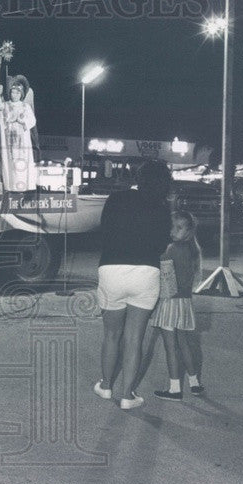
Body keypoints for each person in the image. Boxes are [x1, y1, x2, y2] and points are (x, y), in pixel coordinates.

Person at [94, 160, 172, 410]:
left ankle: (106, 386)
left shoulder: (116, 199)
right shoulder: (162, 208)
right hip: (146, 273)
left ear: (139, 178)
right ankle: (128, 395)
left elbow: (103, 232)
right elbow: (161, 246)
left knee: (111, 335)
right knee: (134, 338)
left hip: (112, 269)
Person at [150, 211, 205, 400]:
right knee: (185, 344)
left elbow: (160, 271)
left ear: (189, 230)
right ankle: (194, 383)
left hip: (170, 302)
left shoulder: (172, 249)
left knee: (170, 347)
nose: (173, 231)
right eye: (172, 227)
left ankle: (175, 389)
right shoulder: (193, 250)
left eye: (179, 228)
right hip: (185, 303)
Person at [0, 76, 38, 192]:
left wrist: (23, 122)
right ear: (10, 93)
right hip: (8, 139)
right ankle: (10, 186)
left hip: (22, 141)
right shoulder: (5, 105)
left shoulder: (25, 106)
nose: (15, 95)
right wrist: (2, 115)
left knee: (21, 163)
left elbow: (32, 121)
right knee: (9, 163)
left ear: (21, 94)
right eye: (13, 92)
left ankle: (23, 186)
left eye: (18, 93)